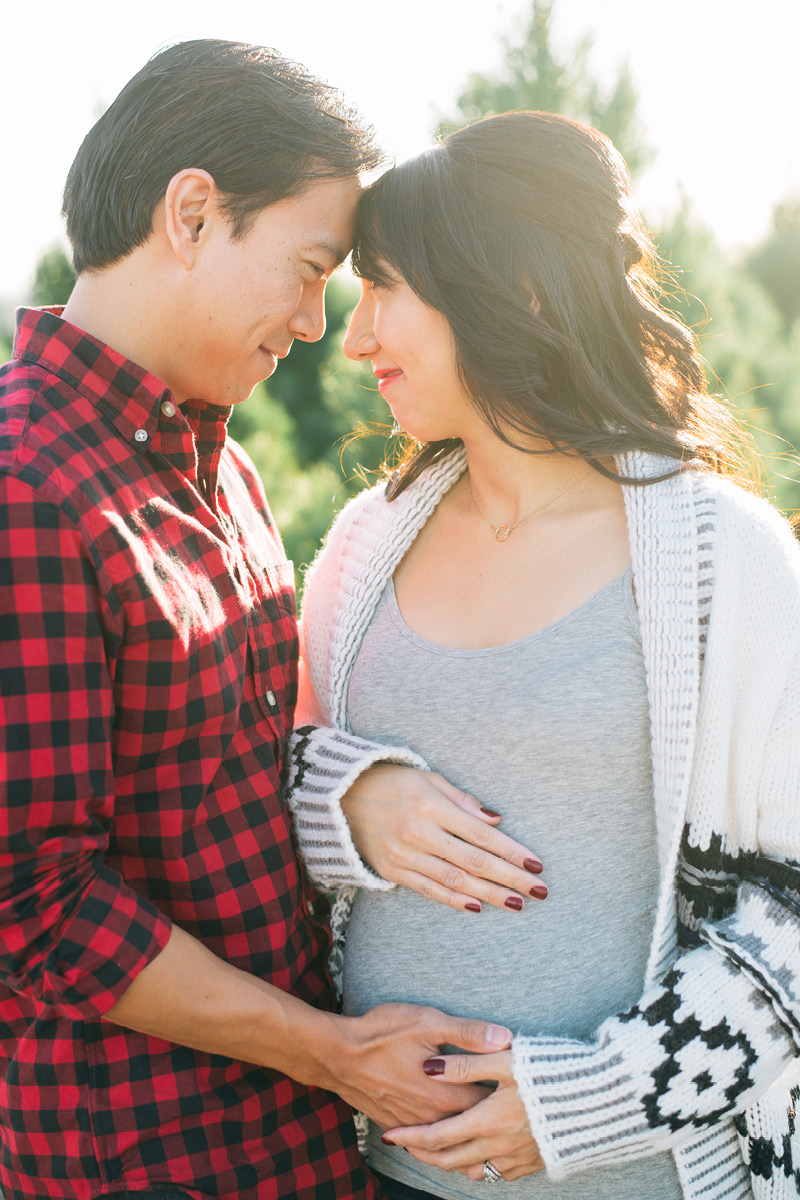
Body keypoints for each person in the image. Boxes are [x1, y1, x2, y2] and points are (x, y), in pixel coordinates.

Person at [0, 41, 539, 1200]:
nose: (313, 321)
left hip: (290, 1141)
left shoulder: (220, 468)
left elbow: (230, 763)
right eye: (307, 269)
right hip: (143, 1154)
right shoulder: (25, 488)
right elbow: (31, 907)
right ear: (191, 214)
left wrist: (353, 782)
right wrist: (332, 1051)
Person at [289, 111, 800, 1199]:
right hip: (369, 1176)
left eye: (383, 286)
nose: (355, 332)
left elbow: (792, 913)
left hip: (636, 1182)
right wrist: (346, 798)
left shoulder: (726, 558)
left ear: (512, 287)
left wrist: (585, 1104)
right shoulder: (363, 544)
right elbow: (255, 774)